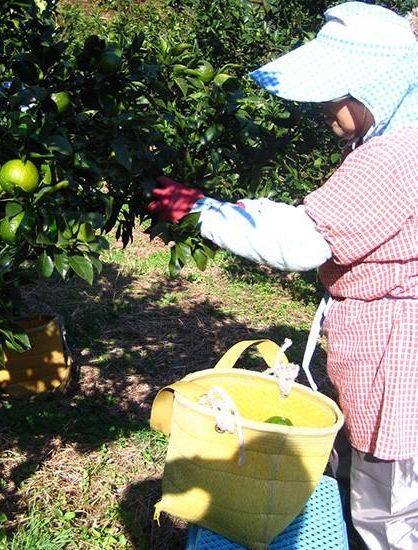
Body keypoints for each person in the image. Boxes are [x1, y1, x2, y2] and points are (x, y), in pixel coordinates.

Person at [147, 3, 418, 549]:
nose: (324, 107)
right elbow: (322, 222)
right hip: (390, 344)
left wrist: (200, 210)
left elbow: (298, 240)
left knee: (387, 506)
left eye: (335, 92)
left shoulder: (392, 157)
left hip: (395, 353)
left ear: (375, 85)